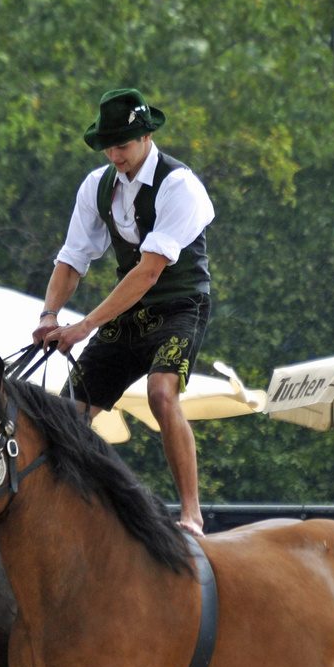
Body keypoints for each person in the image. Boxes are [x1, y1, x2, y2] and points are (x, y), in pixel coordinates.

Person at [33, 88, 214, 537]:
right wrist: (49, 317)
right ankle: (67, 510)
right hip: (128, 312)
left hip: (178, 305)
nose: (115, 154)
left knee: (160, 394)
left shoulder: (179, 186)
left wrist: (84, 326)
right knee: (65, 417)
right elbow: (72, 259)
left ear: (147, 136)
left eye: (123, 144)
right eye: (108, 145)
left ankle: (191, 513)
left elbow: (149, 273)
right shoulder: (96, 186)